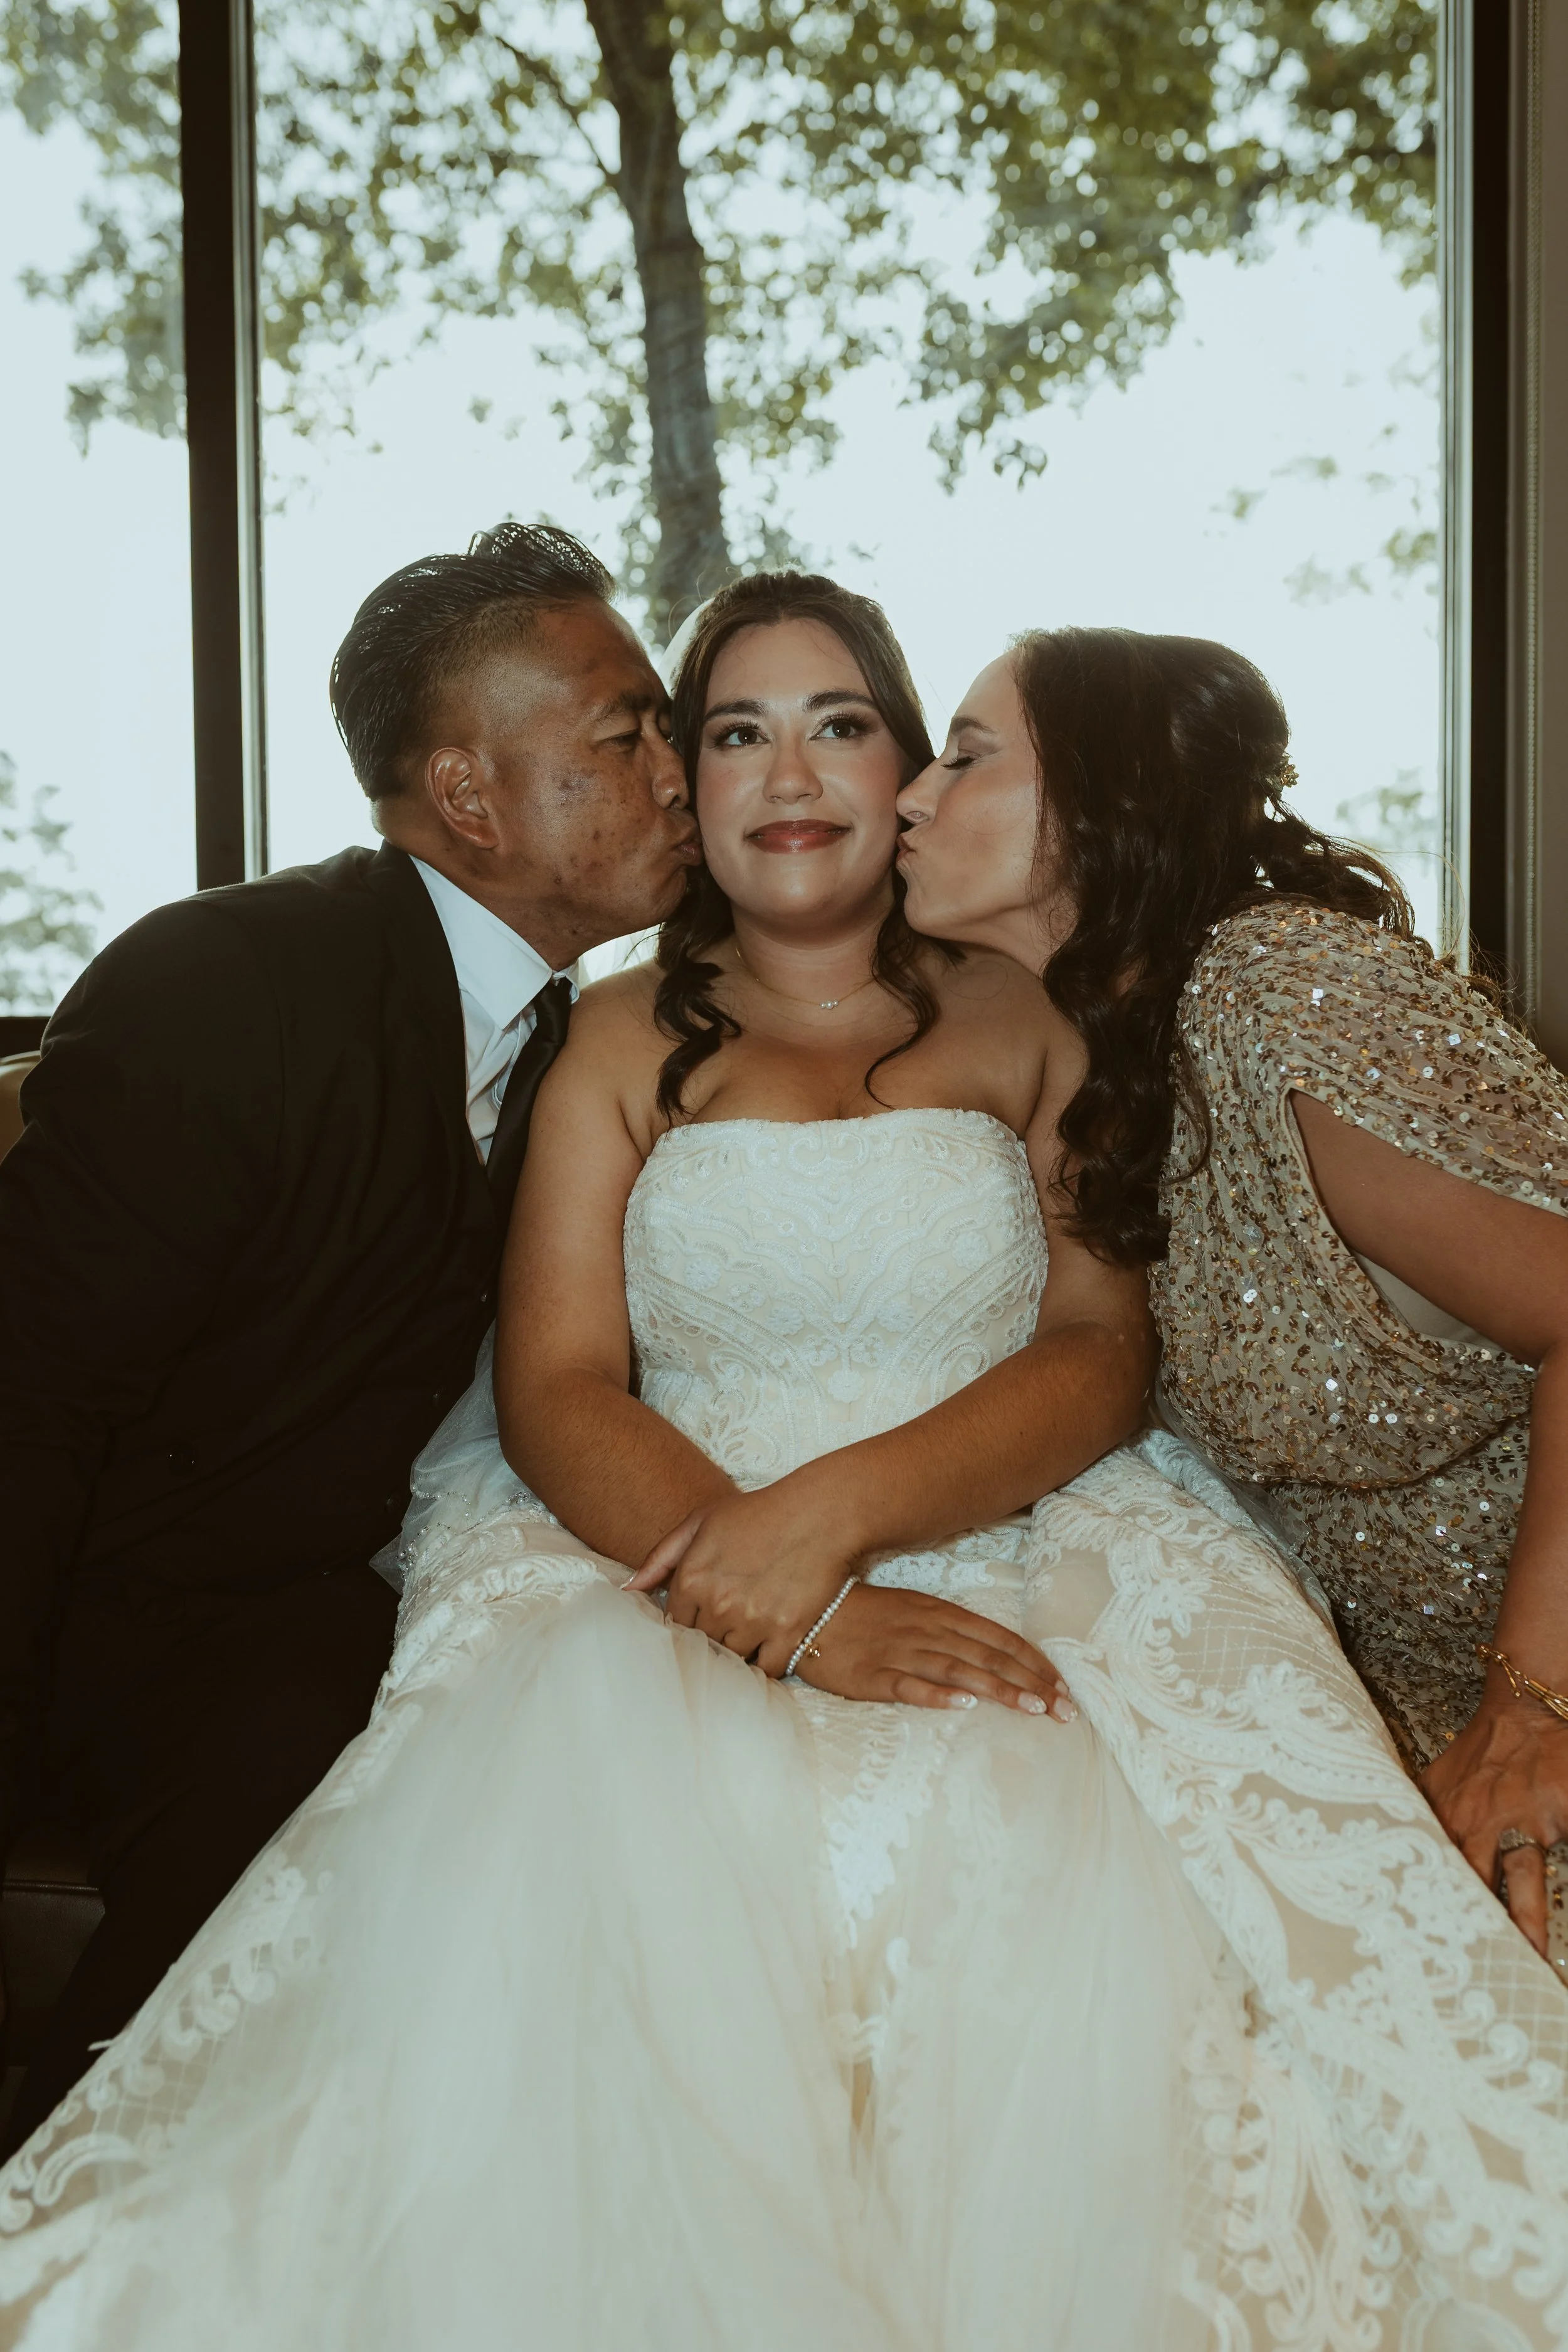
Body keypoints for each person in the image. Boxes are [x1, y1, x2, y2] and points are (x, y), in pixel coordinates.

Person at [3, 575, 1566, 2351]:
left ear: (901, 770)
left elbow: (1096, 1348)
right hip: (672, 1533)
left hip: (1012, 1511)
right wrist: (781, 1590)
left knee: (1121, 1865)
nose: (776, 770)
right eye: (725, 730)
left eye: (841, 721)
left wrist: (844, 1517)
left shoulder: (1032, 1014)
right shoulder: (597, 1037)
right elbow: (562, 1379)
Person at [0, 522, 696, 2150]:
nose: (674, 771)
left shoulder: (595, 1037)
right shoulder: (223, 981)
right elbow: (27, 1404)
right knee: (313, 1737)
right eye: (624, 731)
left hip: (427, 1583)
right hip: (157, 1625)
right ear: (469, 794)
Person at [894, 623, 1568, 1968]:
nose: (910, 794)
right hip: (1413, 1734)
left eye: (964, 757)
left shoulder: (1276, 994)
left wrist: (1527, 1712)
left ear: (1099, 803)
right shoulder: (1113, 1064)